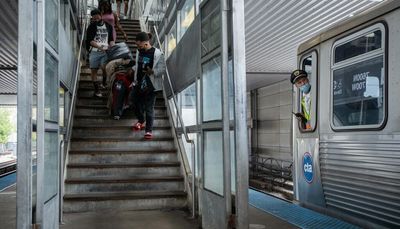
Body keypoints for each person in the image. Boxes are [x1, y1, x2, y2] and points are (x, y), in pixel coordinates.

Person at [131, 32, 166, 140]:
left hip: (151, 85)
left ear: (145, 43)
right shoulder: (139, 52)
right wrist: (132, 71)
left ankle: (148, 131)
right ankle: (141, 121)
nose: (138, 47)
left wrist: (153, 71)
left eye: (139, 45)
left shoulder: (158, 54)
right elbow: (138, 65)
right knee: (134, 102)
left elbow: (163, 69)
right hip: (139, 83)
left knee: (149, 108)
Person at [86, 8, 115, 97]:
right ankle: (97, 90)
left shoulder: (109, 26)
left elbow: (111, 39)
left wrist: (113, 46)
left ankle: (104, 82)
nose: (95, 20)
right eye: (93, 18)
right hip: (94, 52)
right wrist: (100, 47)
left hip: (105, 52)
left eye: (97, 17)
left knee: (104, 68)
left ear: (101, 16)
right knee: (93, 71)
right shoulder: (91, 27)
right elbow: (90, 41)